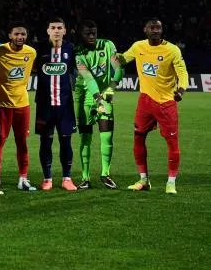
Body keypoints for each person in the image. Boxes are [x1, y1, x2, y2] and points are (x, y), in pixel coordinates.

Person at [116, 18, 188, 194]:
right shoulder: (138, 46)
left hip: (166, 102)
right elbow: (122, 60)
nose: (155, 30)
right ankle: (143, 180)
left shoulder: (172, 50)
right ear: (145, 29)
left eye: (158, 28)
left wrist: (181, 90)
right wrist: (109, 54)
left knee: (172, 142)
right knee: (138, 137)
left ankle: (171, 182)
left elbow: (182, 72)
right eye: (152, 27)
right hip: (145, 101)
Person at [0, 24, 38, 191]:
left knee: (22, 142)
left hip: (22, 105)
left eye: (23, 34)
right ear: (10, 35)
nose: (20, 37)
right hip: (2, 105)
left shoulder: (31, 53)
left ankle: (23, 179)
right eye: (17, 34)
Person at [74, 20, 121, 189]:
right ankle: (85, 178)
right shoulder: (78, 52)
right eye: (88, 33)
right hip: (86, 100)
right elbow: (88, 78)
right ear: (81, 34)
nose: (92, 36)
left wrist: (111, 88)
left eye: (94, 32)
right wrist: (97, 98)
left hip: (105, 97)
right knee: (85, 139)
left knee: (107, 137)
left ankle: (105, 174)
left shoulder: (108, 45)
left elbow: (119, 68)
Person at [34, 18, 79, 191]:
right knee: (45, 143)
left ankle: (67, 178)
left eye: (60, 27)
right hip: (44, 106)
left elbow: (81, 69)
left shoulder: (70, 49)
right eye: (53, 28)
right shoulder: (39, 49)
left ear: (65, 30)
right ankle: (47, 178)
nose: (56, 31)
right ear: (48, 31)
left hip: (65, 106)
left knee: (66, 142)